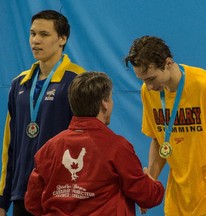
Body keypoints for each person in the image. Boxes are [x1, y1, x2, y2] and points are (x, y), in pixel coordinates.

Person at [125, 36, 206, 216]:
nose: (148, 86)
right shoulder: (149, 93)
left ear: (168, 63)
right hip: (178, 199)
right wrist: (150, 180)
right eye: (143, 80)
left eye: (151, 78)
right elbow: (159, 141)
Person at [24, 72, 165, 215]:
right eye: (110, 99)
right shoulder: (117, 147)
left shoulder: (49, 148)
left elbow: (32, 203)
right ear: (104, 103)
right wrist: (153, 184)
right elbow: (148, 197)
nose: (112, 103)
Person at [0, 10, 86, 216]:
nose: (35, 40)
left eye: (44, 35)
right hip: (23, 195)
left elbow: (88, 143)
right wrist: (2, 201)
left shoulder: (78, 80)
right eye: (32, 33)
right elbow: (10, 146)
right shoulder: (19, 83)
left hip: (63, 196)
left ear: (62, 39)